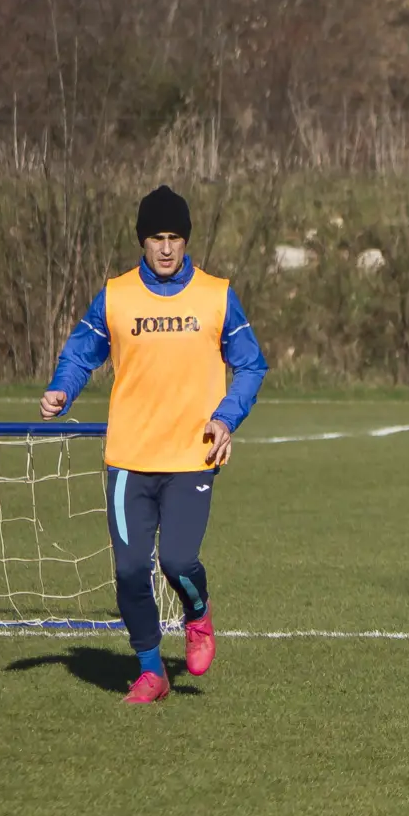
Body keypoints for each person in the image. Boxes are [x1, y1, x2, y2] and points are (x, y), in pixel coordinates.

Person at [39, 185, 268, 704]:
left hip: (191, 456)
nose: (166, 248)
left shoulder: (216, 296)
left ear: (186, 240)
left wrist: (225, 418)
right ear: (142, 240)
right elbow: (81, 353)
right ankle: (150, 671)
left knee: (178, 562)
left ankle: (197, 613)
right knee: (128, 570)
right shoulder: (116, 296)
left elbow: (252, 365)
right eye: (156, 237)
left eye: (174, 238)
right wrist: (62, 389)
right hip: (129, 459)